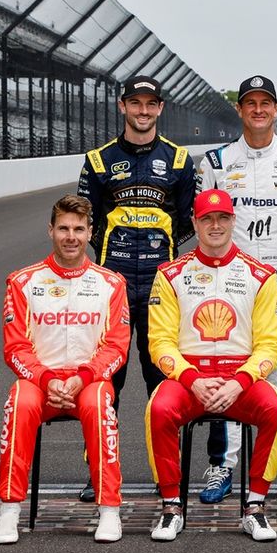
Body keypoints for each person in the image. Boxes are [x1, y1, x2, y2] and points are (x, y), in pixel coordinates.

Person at [197, 74, 277, 503]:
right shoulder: (215, 163)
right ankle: (222, 466)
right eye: (249, 102)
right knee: (222, 371)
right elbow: (206, 224)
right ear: (240, 109)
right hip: (228, 283)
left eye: (265, 102)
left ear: (275, 109)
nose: (257, 110)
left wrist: (276, 267)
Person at [145, 189, 277, 542]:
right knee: (158, 409)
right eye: (207, 218)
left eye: (222, 218)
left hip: (239, 378)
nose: (215, 225)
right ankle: (170, 506)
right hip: (188, 377)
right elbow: (160, 341)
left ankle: (255, 506)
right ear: (194, 223)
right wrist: (192, 379)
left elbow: (270, 344)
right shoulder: (170, 273)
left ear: (232, 221)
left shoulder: (261, 275)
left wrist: (240, 382)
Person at [76, 75, 196, 501]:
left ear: (160, 108)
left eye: (150, 104)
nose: (142, 111)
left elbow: (187, 223)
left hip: (163, 290)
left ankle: (169, 477)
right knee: (107, 383)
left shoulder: (179, 161)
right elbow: (88, 225)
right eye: (135, 103)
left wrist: (155, 255)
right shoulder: (98, 160)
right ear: (122, 106)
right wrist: (120, 258)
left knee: (161, 383)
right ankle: (100, 472)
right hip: (112, 289)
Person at [0, 195, 130, 545]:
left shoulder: (111, 284)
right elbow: (15, 348)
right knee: (19, 400)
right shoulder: (22, 282)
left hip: (89, 382)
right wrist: (48, 379)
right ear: (51, 231)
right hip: (40, 382)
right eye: (64, 228)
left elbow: (116, 347)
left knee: (100, 403)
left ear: (90, 233)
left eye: (79, 229)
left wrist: (82, 377)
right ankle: (10, 509)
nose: (71, 236)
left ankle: (110, 509)